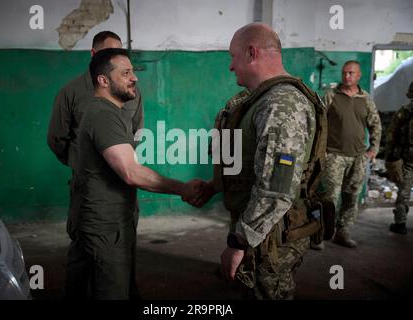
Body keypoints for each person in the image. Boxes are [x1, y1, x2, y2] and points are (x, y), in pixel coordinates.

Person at [194, 23, 323, 300]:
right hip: (257, 228)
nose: (230, 66)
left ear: (252, 52)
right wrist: (215, 185)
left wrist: (239, 242)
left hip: (268, 236)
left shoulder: (282, 104)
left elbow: (277, 189)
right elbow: (249, 162)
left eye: (233, 56)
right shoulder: (258, 100)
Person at [65, 48, 203, 299]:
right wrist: (182, 188)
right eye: (126, 73)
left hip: (106, 223)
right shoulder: (103, 115)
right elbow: (130, 172)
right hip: (104, 228)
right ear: (103, 80)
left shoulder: (107, 112)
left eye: (133, 72)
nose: (134, 78)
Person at [47, 31, 144, 240]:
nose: (114, 57)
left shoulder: (131, 91)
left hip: (124, 187)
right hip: (91, 191)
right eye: (109, 52)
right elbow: (57, 139)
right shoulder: (71, 92)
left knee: (122, 247)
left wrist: (125, 160)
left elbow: (137, 131)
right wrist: (83, 161)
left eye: (118, 52)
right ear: (93, 54)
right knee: (91, 249)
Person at [318, 60, 382, 249]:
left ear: (359, 75)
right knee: (330, 198)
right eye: (344, 73)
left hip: (359, 157)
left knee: (351, 197)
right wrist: (321, 151)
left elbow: (375, 125)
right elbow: (318, 122)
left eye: (351, 73)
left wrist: (373, 150)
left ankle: (343, 233)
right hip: (334, 156)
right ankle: (321, 235)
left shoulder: (365, 99)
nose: (347, 76)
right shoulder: (330, 96)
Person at [385, 81, 413, 235]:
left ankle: (400, 223)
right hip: (408, 156)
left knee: (404, 190)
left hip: (408, 157)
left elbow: (392, 134)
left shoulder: (405, 111)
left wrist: (391, 155)